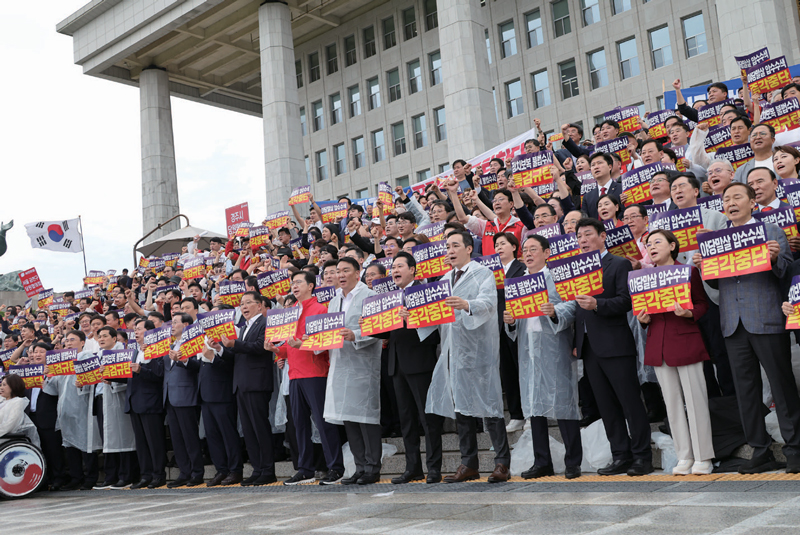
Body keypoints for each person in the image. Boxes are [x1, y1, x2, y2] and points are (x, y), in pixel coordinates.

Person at [693, 183, 800, 473]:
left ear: (753, 203)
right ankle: (760, 450)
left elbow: (786, 270)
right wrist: (703, 266)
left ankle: (794, 449)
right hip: (732, 322)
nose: (730, 202)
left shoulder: (771, 230)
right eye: (726, 199)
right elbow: (715, 283)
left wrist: (775, 257)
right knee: (745, 391)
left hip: (766, 317)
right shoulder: (715, 239)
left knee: (781, 385)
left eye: (737, 197)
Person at [559, 219, 652, 476]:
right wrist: (577, 341)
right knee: (606, 406)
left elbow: (626, 301)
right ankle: (620, 455)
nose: (583, 240)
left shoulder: (618, 264)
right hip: (589, 348)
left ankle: (642, 456)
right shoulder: (578, 270)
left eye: (588, 234)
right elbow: (577, 309)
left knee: (630, 403)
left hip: (615, 344)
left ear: (602, 236)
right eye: (579, 236)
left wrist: (597, 305)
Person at [418, 231, 511, 483]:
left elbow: (489, 303)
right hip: (454, 352)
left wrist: (466, 305)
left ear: (469, 248)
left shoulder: (483, 273)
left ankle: (502, 463)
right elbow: (434, 314)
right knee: (462, 408)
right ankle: (468, 463)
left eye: (455, 245)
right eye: (447, 246)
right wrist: (414, 316)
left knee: (490, 406)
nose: (450, 250)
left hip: (479, 350)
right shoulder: (444, 279)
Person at [504, 235, 582, 478]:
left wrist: (554, 310)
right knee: (534, 404)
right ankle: (542, 461)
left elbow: (572, 305)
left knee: (564, 402)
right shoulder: (518, 283)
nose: (528, 254)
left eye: (533, 249)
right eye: (525, 250)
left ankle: (573, 461)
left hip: (554, 347)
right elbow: (514, 319)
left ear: (547, 253)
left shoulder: (557, 278)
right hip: (528, 350)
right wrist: (511, 321)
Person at [638, 229, 714, 475]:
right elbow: (642, 310)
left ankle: (703, 456)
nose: (651, 247)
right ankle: (684, 456)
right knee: (672, 404)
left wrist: (688, 313)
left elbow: (702, 303)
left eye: (657, 242)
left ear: (672, 246)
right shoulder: (643, 278)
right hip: (658, 344)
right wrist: (642, 320)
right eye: (648, 244)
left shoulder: (688, 272)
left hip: (685, 341)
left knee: (696, 401)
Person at [365, 252, 443, 484]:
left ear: (413, 270)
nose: (395, 271)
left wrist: (412, 319)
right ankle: (413, 468)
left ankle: (434, 468)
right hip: (396, 365)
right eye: (393, 267)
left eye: (399, 266)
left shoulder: (424, 293)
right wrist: (369, 326)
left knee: (428, 419)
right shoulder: (390, 297)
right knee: (407, 421)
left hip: (420, 364)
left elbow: (434, 335)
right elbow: (387, 332)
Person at [267, 271, 345, 486]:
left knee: (323, 422)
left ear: (311, 286)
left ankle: (335, 467)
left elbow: (326, 343)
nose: (294, 286)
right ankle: (305, 469)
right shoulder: (290, 312)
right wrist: (275, 349)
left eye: (299, 282)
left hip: (315, 373)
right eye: (293, 283)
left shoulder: (320, 309)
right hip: (294, 375)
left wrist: (302, 344)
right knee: (299, 425)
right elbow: (288, 348)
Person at [324, 257, 383, 485]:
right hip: (340, 365)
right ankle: (359, 467)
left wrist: (355, 335)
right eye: (337, 271)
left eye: (345, 270)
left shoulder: (369, 296)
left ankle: (372, 467)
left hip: (362, 365)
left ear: (357, 274)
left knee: (366, 418)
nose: (340, 275)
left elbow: (377, 328)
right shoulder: (334, 300)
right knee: (349, 417)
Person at [212, 291, 276, 486]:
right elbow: (237, 356)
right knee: (248, 430)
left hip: (257, 383)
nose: (244, 307)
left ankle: (268, 470)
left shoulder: (265, 322)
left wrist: (235, 344)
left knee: (260, 428)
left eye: (248, 303)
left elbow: (260, 347)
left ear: (260, 305)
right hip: (241, 384)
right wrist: (221, 349)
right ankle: (257, 469)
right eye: (242, 304)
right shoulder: (243, 327)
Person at [53, 330, 102, 491]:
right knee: (69, 445)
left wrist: (84, 384)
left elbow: (93, 380)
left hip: (82, 407)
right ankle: (76, 477)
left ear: (82, 342)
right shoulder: (63, 361)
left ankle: (90, 477)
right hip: (65, 409)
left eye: (72, 340)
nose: (68, 343)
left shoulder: (86, 357)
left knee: (86, 443)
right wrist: (49, 375)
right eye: (66, 340)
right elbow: (54, 387)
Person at [162, 314, 204, 488]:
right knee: (177, 439)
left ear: (186, 324)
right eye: (171, 322)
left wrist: (183, 360)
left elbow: (198, 366)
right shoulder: (170, 345)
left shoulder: (193, 343)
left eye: (175, 322)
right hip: (170, 397)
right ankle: (184, 472)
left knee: (190, 437)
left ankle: (197, 472)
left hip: (186, 395)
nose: (172, 325)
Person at [95, 326, 137, 490]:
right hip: (101, 400)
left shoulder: (122, 354)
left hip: (118, 400)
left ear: (114, 339)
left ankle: (126, 476)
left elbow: (127, 379)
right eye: (99, 336)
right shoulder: (97, 356)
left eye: (105, 336)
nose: (101, 339)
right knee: (108, 440)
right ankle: (110, 476)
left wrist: (112, 380)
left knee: (123, 438)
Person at [127, 318, 167, 490]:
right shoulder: (134, 351)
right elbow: (129, 376)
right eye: (134, 329)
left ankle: (158, 475)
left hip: (150, 402)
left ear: (149, 331)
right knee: (141, 443)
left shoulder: (157, 349)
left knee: (154, 441)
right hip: (134, 402)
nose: (135, 332)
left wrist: (141, 369)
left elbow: (159, 374)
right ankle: (146, 475)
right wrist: (109, 376)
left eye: (139, 329)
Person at [492, 233, 526, 432]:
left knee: (523, 369)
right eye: (496, 245)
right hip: (498, 327)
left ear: (514, 247)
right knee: (507, 372)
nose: (498, 247)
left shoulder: (522, 269)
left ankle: (530, 412)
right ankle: (516, 415)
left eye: (503, 244)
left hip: (519, 325)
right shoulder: (490, 272)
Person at [0, 374, 39, 447]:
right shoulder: (2, 401)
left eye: (4, 385)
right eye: (1, 385)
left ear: (13, 386)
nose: (1, 388)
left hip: (8, 439)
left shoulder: (18, 402)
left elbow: (9, 426)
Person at [582, 153, 623, 220]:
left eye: (599, 163)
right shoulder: (587, 197)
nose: (596, 167)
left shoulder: (622, 189)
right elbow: (586, 220)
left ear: (610, 167)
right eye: (593, 165)